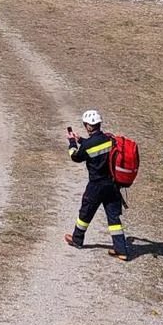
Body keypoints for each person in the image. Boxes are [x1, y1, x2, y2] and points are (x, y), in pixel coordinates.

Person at [64, 109, 130, 260]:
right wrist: (81, 140)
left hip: (96, 186)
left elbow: (75, 156)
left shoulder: (89, 145)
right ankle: (121, 250)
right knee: (113, 217)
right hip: (113, 185)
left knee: (86, 212)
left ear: (88, 126)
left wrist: (72, 142)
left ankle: (77, 239)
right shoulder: (110, 139)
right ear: (99, 124)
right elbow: (97, 146)